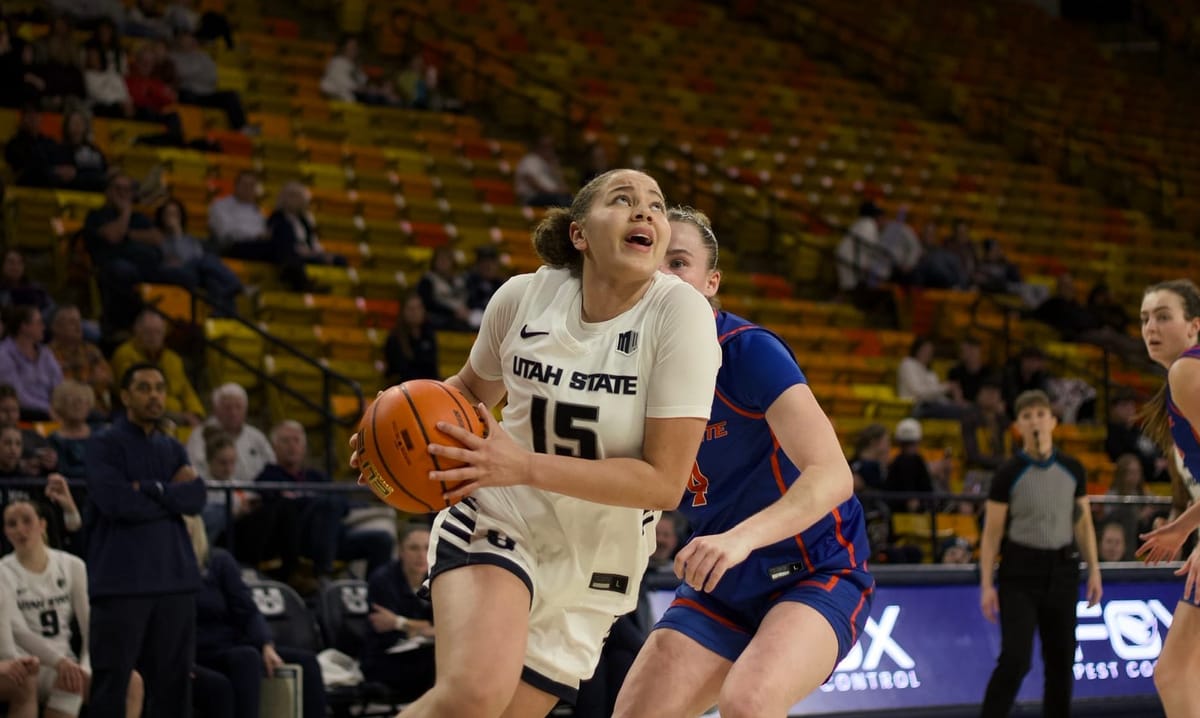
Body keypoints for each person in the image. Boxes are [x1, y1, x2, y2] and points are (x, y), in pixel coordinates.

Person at [352, 169, 720, 717]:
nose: (645, 212)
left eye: (657, 205)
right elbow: (467, 394)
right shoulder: (525, 297)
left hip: (597, 558)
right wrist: (394, 430)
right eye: (623, 200)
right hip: (502, 513)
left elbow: (664, 483)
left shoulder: (679, 315)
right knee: (473, 696)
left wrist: (522, 463)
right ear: (579, 234)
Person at [613, 207, 873, 718]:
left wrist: (739, 538)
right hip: (722, 587)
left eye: (680, 262)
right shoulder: (625, 374)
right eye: (654, 260)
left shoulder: (748, 351)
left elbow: (834, 474)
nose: (664, 274)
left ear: (711, 283)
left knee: (748, 703)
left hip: (815, 567)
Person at [84, 361, 207, 718]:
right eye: (144, 388)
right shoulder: (103, 444)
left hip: (175, 581)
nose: (155, 396)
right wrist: (170, 495)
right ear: (125, 396)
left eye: (159, 388)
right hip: (121, 583)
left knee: (174, 689)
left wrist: (150, 489)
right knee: (112, 688)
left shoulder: (173, 447)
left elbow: (196, 498)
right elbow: (115, 502)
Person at [978, 389, 1102, 718]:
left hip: (1062, 571)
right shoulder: (1007, 473)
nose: (1035, 421)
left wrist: (1094, 570)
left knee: (1061, 662)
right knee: (1015, 659)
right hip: (1019, 572)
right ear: (1017, 425)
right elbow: (991, 535)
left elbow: (1083, 524)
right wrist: (987, 585)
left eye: (1040, 414)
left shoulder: (1073, 469)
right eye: (1027, 416)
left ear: (1054, 421)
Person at [1, 499, 145, 718]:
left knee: (132, 682)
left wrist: (84, 668)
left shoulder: (72, 565)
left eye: (27, 521)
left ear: (42, 525)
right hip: (32, 664)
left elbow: (91, 628)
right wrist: (61, 664)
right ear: (5, 532)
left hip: (68, 662)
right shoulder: (4, 571)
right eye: (12, 524)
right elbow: (18, 632)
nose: (20, 529)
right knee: (68, 685)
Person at [1132, 279, 1200, 716]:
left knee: (1174, 672)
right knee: (1178, 671)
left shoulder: (1187, 371)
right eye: (1143, 319)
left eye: (1163, 316)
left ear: (1194, 326)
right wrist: (1187, 524)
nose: (1150, 327)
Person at [183, 515, 326, 718]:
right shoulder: (168, 568)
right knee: (246, 657)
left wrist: (266, 644)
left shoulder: (219, 561)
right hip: (199, 650)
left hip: (231, 643)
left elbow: (247, 609)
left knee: (307, 661)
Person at [362, 523, 436, 702]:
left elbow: (440, 628)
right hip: (385, 659)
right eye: (413, 548)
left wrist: (399, 622)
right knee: (438, 663)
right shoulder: (382, 580)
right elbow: (384, 627)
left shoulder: (437, 580)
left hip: (422, 654)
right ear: (400, 551)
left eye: (427, 548)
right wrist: (421, 627)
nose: (421, 555)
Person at [110, 309, 205, 428]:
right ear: (136, 332)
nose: (153, 337)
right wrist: (181, 417)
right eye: (148, 332)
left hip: (180, 418)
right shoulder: (124, 355)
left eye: (158, 332)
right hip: (145, 416)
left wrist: (196, 413)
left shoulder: (173, 359)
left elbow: (186, 391)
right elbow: (135, 397)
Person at [156, 198, 243, 316]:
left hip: (196, 270)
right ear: (162, 216)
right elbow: (184, 258)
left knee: (212, 279)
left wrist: (179, 236)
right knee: (207, 259)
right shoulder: (159, 238)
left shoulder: (190, 239)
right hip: (177, 272)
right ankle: (234, 283)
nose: (173, 218)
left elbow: (196, 257)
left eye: (176, 214)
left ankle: (222, 315)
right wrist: (177, 234)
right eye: (169, 214)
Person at [185, 382, 274, 483]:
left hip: (255, 495)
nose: (233, 412)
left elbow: (271, 466)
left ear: (246, 409)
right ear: (216, 409)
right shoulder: (199, 436)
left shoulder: (257, 437)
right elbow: (195, 471)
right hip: (215, 493)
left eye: (238, 407)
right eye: (227, 408)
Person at [0, 305, 63, 421]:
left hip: (53, 409)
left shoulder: (45, 353)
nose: (43, 327)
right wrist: (47, 409)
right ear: (24, 327)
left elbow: (59, 384)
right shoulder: (4, 355)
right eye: (39, 323)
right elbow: (16, 395)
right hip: (25, 411)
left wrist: (60, 406)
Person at [48, 305, 113, 415]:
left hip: (98, 411)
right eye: (72, 322)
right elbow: (60, 391)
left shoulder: (91, 350)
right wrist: (91, 382)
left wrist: (80, 384)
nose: (78, 326)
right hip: (67, 414)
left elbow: (107, 379)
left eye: (79, 321)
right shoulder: (48, 355)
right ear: (56, 327)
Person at [384, 292, 440, 384]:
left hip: (428, 387)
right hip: (402, 388)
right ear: (403, 311)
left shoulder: (429, 335)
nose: (415, 313)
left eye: (418, 308)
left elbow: (433, 368)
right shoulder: (394, 338)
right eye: (411, 309)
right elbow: (396, 371)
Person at [47, 381, 99, 480]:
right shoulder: (54, 439)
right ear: (60, 405)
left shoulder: (100, 434)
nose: (77, 406)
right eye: (72, 401)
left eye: (81, 401)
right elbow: (61, 471)